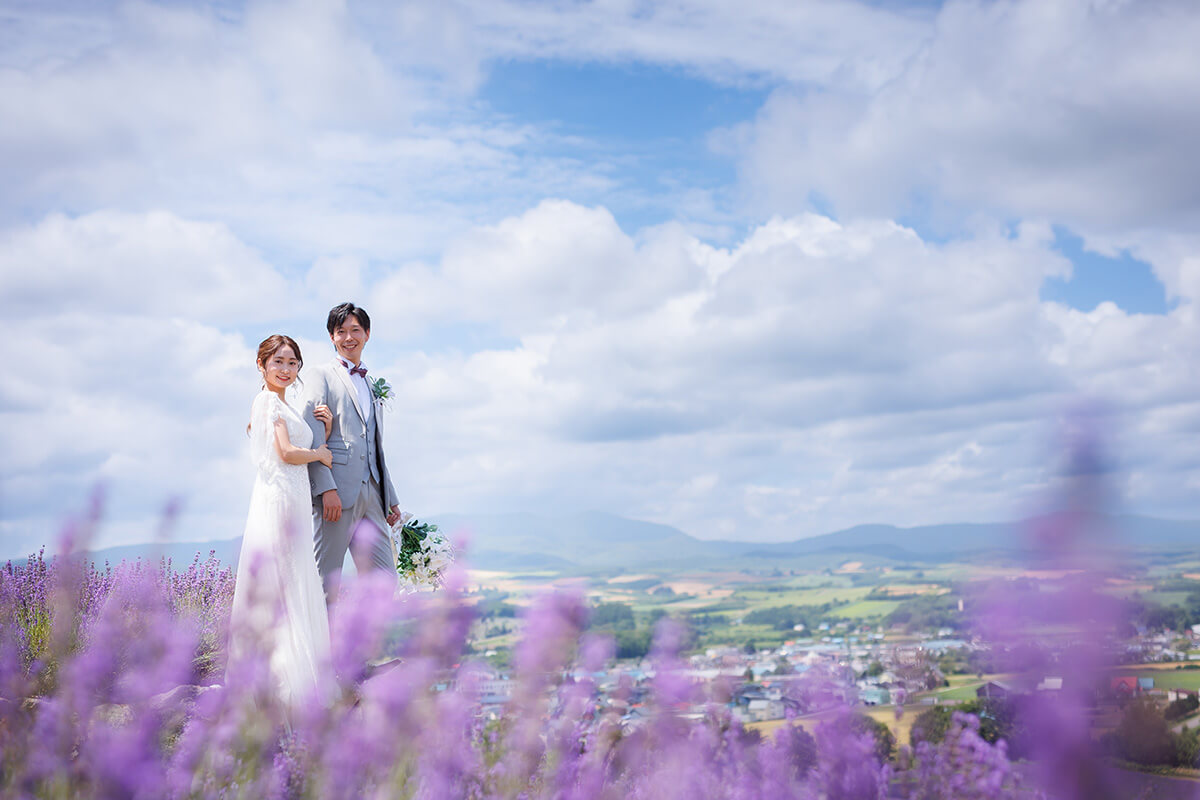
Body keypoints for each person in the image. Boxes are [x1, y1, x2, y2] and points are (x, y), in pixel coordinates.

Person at [228, 335, 335, 707]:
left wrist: (326, 430)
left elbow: (301, 446)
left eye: (292, 363)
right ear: (262, 365)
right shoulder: (267, 400)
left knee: (295, 573)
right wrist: (320, 454)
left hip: (293, 496)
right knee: (286, 575)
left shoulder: (284, 404)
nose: (286, 369)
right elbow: (287, 453)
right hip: (279, 497)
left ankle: (303, 667)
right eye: (279, 362)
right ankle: (284, 675)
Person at [301, 302, 402, 603]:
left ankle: (357, 646)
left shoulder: (371, 384)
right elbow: (312, 433)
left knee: (384, 580)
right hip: (336, 493)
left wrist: (390, 497)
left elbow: (374, 446)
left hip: (373, 494)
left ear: (367, 334)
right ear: (332, 337)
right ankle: (325, 650)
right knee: (326, 581)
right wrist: (325, 487)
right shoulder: (321, 375)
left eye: (355, 331)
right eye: (340, 332)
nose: (348, 338)